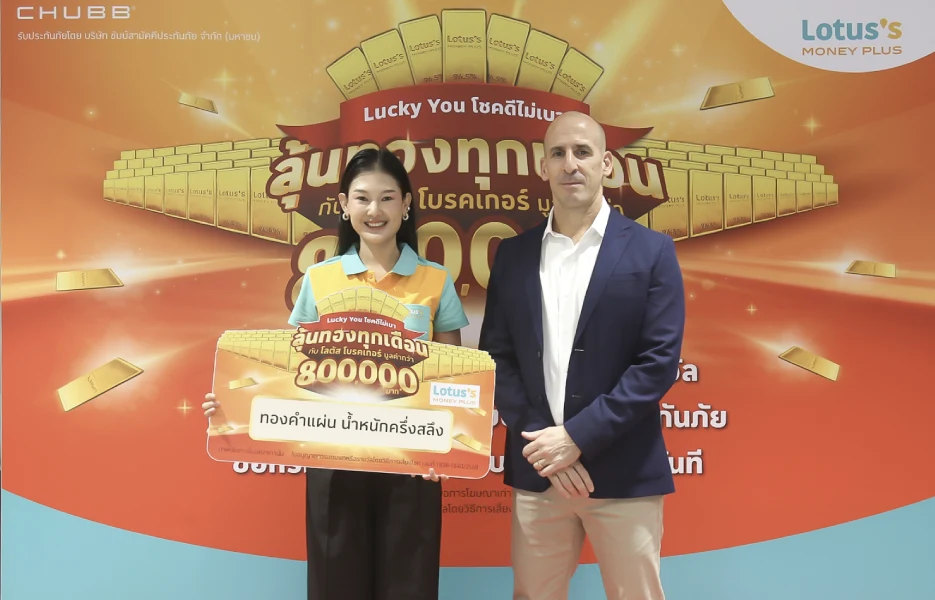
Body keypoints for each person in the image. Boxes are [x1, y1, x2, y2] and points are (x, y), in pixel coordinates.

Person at [203, 147, 469, 600]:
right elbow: (291, 371)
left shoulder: (436, 280)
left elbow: (455, 379)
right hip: (333, 460)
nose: (374, 210)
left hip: (411, 462)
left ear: (406, 204)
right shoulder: (319, 279)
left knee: (410, 587)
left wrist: (446, 451)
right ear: (344, 204)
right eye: (362, 198)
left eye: (387, 198)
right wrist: (236, 404)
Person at [478, 111, 685, 600]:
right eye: (558, 153)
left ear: (606, 164)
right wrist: (545, 447)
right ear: (543, 167)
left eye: (583, 152)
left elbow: (658, 362)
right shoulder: (513, 255)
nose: (570, 164)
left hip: (624, 472)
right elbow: (496, 358)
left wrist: (576, 438)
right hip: (539, 473)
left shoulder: (652, 251)